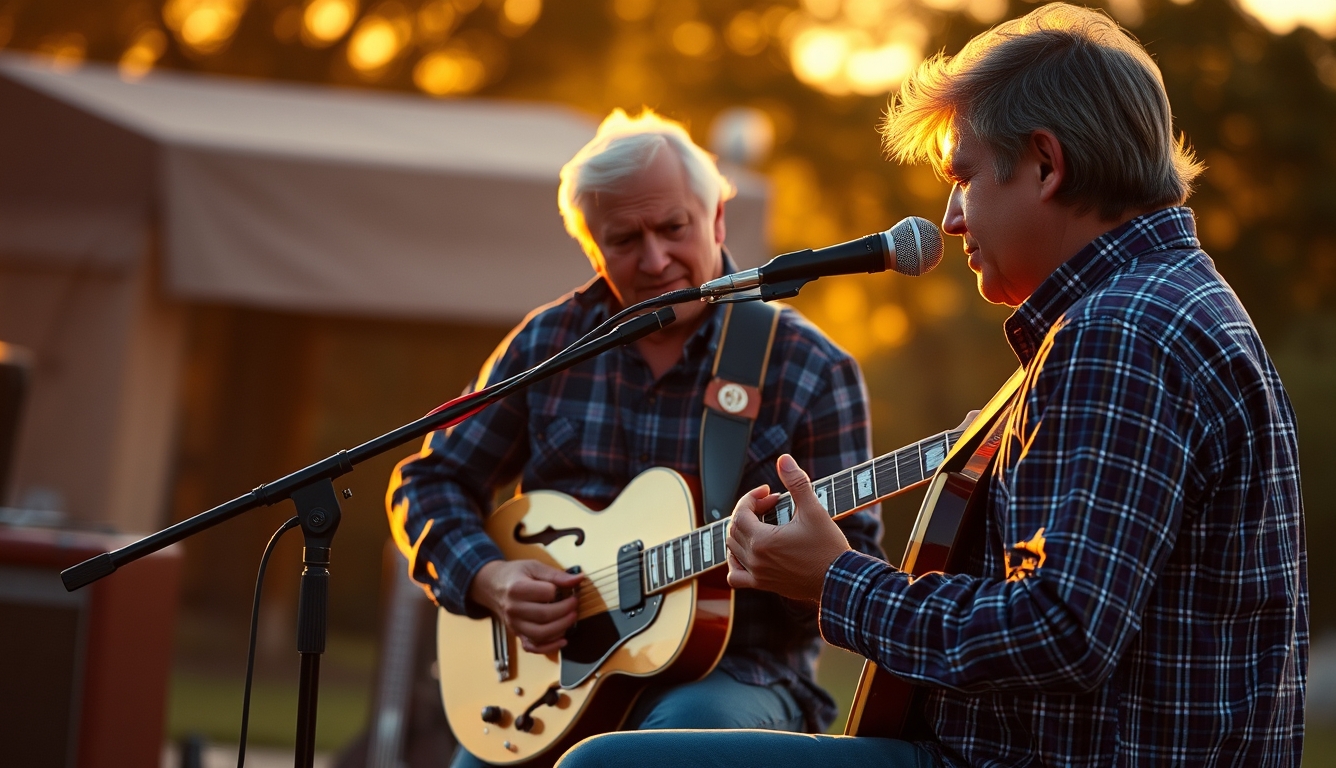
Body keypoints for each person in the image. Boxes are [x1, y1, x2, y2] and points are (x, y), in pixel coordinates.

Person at [556, 5, 1307, 767]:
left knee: (605, 766)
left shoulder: (1119, 335)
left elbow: (1061, 631)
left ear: (1046, 165)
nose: (948, 218)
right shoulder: (1163, 303)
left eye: (964, 177)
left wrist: (836, 580)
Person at [386, 108, 884, 768]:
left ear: (716, 221)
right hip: (548, 683)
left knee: (659, 752)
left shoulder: (809, 367)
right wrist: (490, 576)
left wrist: (797, 573)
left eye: (674, 228)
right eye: (624, 239)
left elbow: (854, 568)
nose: (655, 260)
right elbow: (428, 481)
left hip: (735, 677)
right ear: (593, 248)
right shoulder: (549, 344)